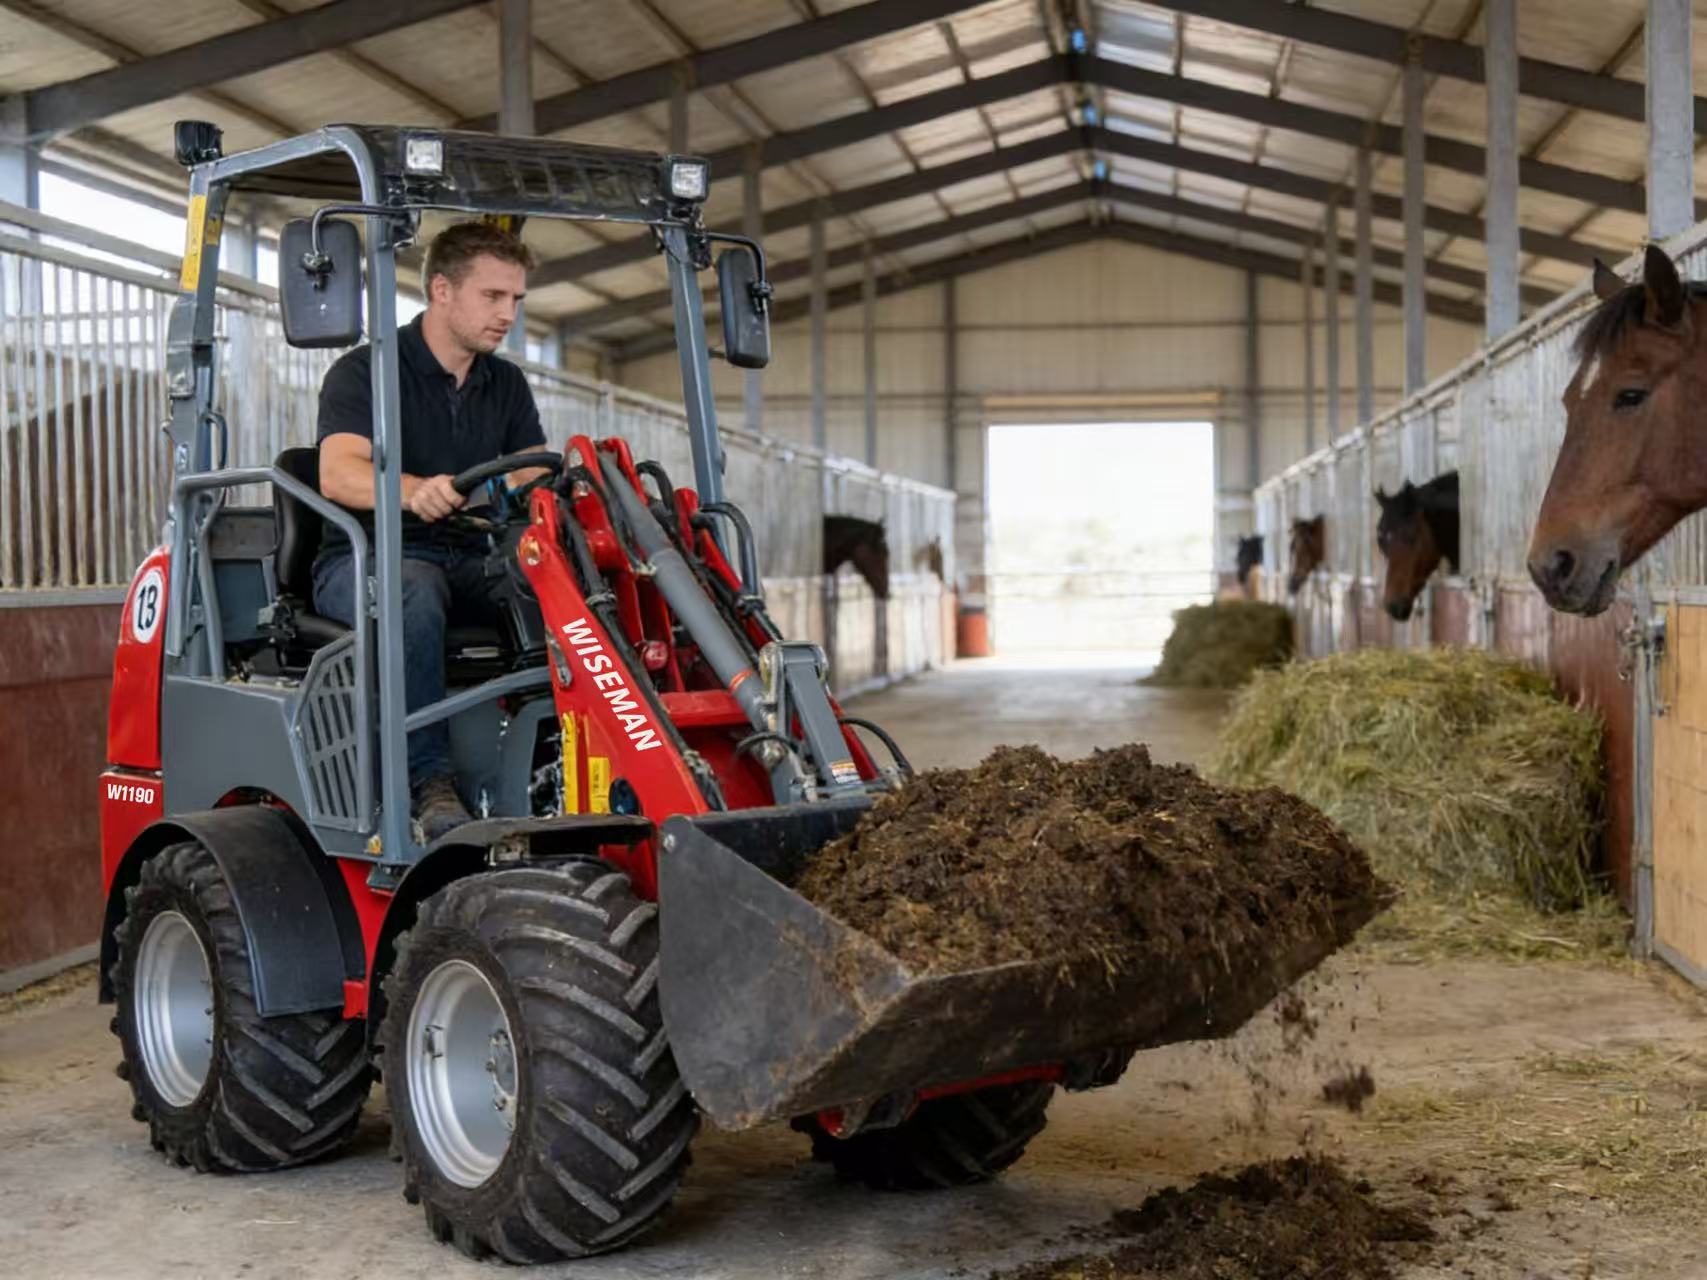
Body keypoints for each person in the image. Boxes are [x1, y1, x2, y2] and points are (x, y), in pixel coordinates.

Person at [311, 221, 550, 842]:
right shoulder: (366, 371)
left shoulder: (506, 383)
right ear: (442, 291)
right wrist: (412, 491)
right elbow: (338, 475)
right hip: (366, 557)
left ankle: (550, 751)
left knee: (554, 583)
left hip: (466, 552)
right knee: (412, 588)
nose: (508, 315)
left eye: (516, 300)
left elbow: (529, 476)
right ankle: (427, 784)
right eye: (493, 297)